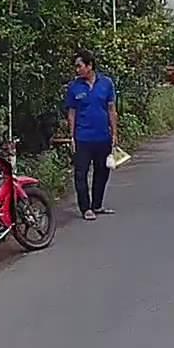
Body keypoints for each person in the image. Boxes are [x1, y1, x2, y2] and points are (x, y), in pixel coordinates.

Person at [64, 50, 119, 221]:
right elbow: (71, 113)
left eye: (79, 66)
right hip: (83, 137)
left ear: (89, 66)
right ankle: (85, 208)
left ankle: (97, 204)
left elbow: (111, 109)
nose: (77, 70)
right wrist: (72, 136)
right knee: (81, 174)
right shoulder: (74, 87)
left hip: (103, 136)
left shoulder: (106, 83)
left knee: (102, 172)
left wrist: (114, 133)